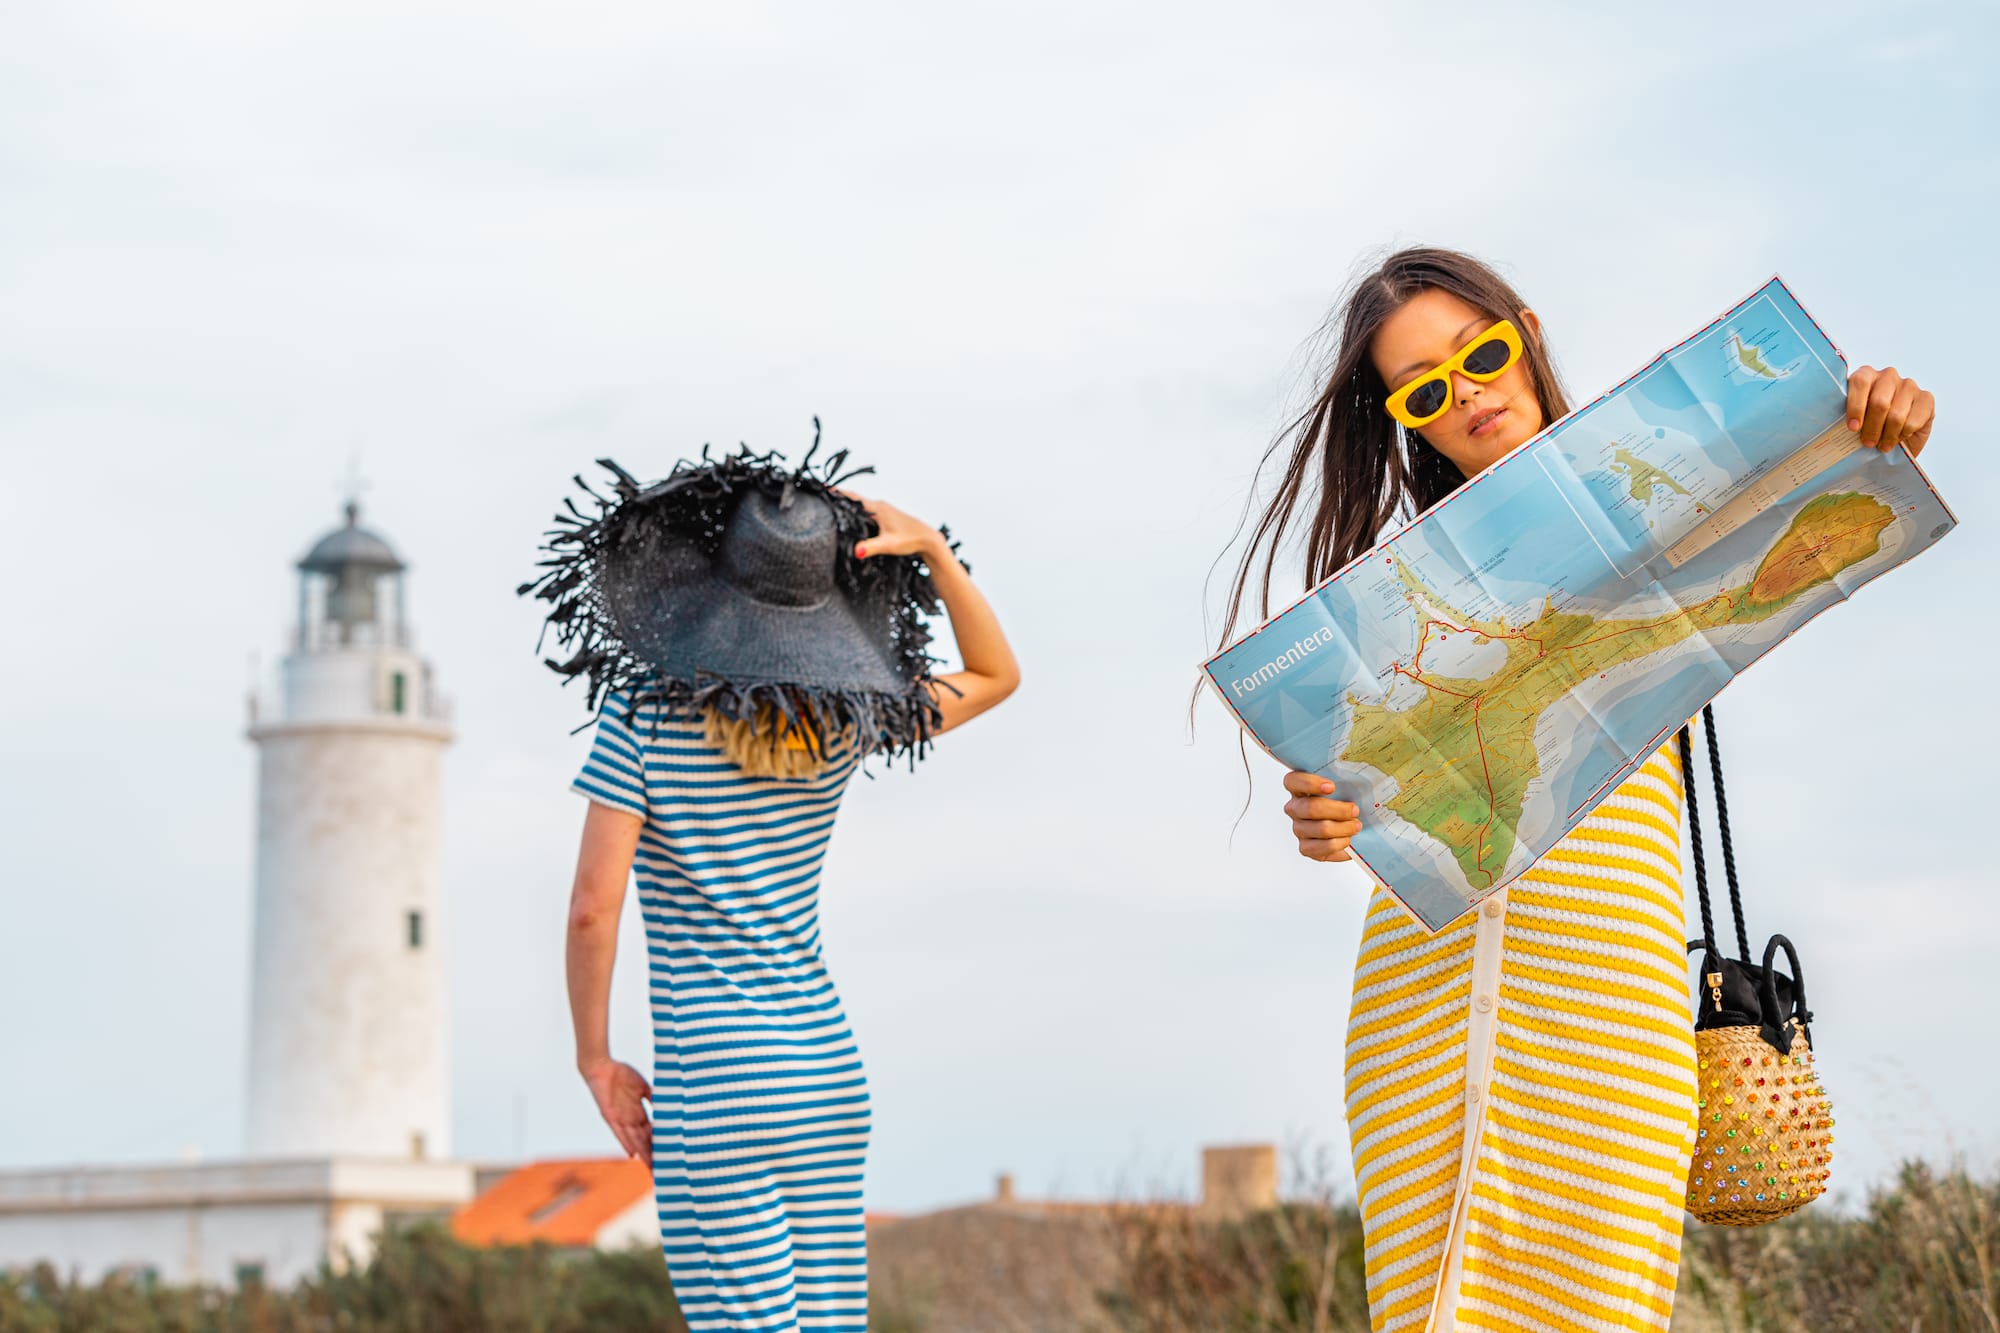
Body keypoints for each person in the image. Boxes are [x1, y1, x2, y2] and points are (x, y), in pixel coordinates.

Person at [1213, 248, 1936, 1332]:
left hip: (1615, 989)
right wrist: (1325, 819)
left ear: (1527, 333)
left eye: (1481, 353)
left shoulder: (1671, 484)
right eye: (1423, 388)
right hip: (1423, 999)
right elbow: (1365, 798)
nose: (1465, 393)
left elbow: (1822, 486)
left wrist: (1882, 419)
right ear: (1406, 417)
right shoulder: (1400, 599)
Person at [522, 442, 1019, 1332]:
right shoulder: (843, 718)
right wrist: (936, 553)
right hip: (826, 1072)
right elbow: (995, 676)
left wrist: (595, 1059)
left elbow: (592, 907)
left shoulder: (645, 712)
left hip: (718, 1074)